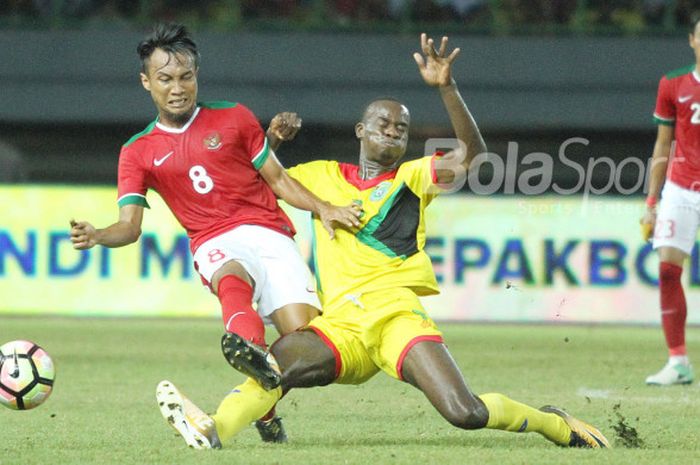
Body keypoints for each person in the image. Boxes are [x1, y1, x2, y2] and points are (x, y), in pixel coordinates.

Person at [155, 33, 611, 450]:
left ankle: (553, 423)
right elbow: (257, 182)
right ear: (360, 130)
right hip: (341, 326)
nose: (393, 130)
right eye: (383, 122)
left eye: (401, 128)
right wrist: (271, 140)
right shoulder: (319, 177)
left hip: (396, 317)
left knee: (464, 413)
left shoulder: (412, 178)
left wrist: (446, 88)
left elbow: (473, 156)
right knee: (272, 367)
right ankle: (213, 429)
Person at [69, 22, 361, 442]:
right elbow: (130, 228)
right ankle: (245, 353)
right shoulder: (138, 151)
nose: (177, 87)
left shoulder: (233, 116)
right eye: (165, 78)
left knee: (305, 345)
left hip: (271, 232)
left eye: (185, 76)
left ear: (197, 76)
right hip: (213, 239)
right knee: (230, 273)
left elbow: (277, 181)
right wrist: (98, 234)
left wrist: (325, 208)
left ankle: (262, 405)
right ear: (146, 82)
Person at [639, 14, 700, 386]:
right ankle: (678, 361)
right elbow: (663, 143)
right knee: (666, 270)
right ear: (692, 40)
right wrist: (651, 199)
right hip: (680, 187)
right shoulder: (673, 82)